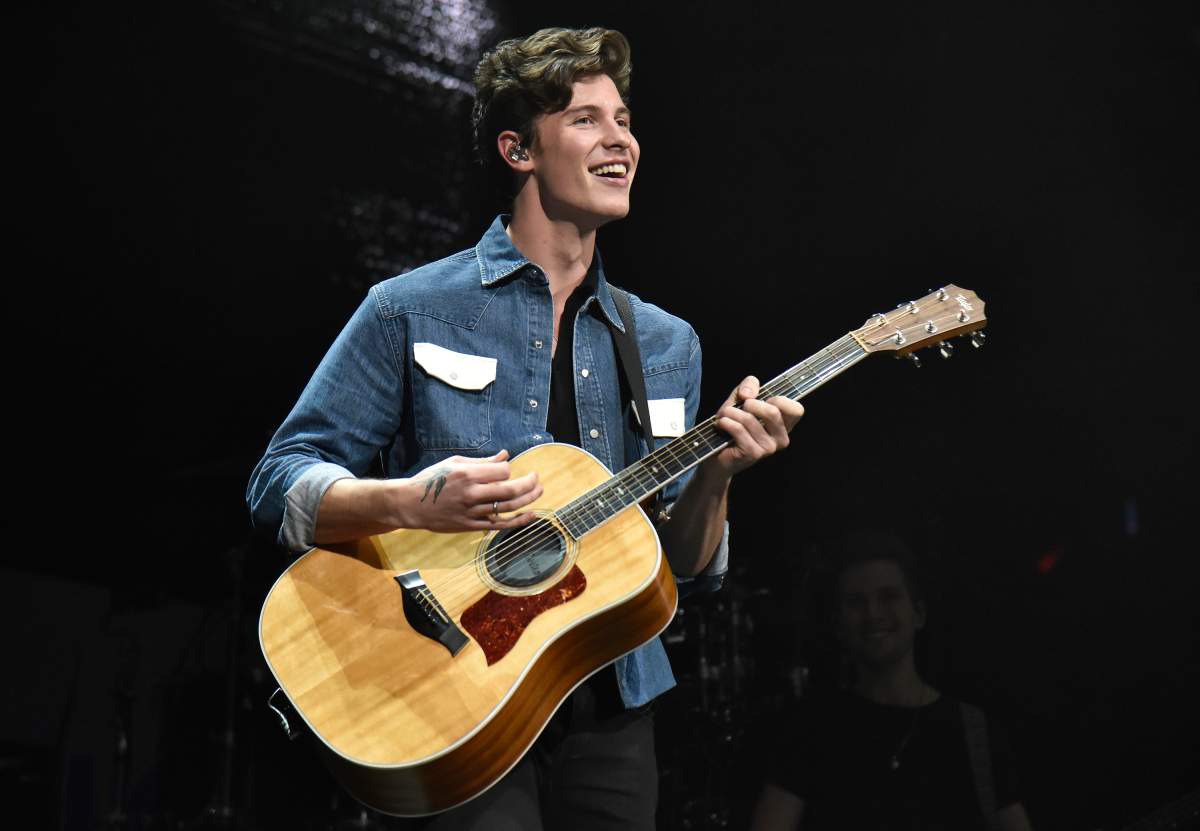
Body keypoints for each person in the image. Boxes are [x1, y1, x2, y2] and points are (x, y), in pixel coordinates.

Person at [246, 27, 804, 829]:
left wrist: (717, 474)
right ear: (518, 151)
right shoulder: (410, 308)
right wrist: (410, 500)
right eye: (585, 119)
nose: (620, 140)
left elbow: (681, 570)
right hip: (456, 690)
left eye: (624, 120)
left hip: (614, 708)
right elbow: (279, 481)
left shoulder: (665, 344)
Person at [750, 532, 1034, 830]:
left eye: (888, 597)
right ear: (839, 625)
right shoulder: (810, 730)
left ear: (919, 614)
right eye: (856, 602)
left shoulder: (974, 732)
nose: (873, 614)